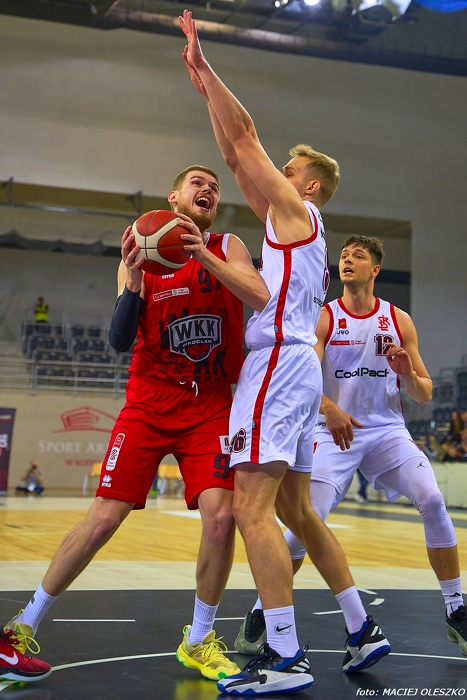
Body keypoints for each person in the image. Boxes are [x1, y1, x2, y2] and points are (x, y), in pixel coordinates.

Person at [179, 13, 390, 695]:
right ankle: (361, 626)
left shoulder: (298, 213)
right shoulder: (288, 222)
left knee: (251, 509)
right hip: (297, 366)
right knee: (297, 512)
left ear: (306, 186)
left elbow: (244, 137)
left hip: (275, 363)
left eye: (287, 169)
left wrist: (206, 67)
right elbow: (236, 153)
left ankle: (284, 656)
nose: (273, 170)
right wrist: (204, 95)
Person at [0, 165, 271, 684]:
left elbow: (260, 296)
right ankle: (22, 626)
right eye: (197, 182)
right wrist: (132, 279)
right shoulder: (140, 249)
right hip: (149, 400)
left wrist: (203, 255)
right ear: (174, 198)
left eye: (214, 185)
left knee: (222, 519)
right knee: (104, 518)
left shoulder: (227, 245)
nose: (209, 188)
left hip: (211, 401)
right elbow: (120, 340)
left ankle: (199, 638)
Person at [242, 235, 466, 663]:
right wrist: (329, 409)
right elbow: (304, 376)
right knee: (308, 518)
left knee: (434, 500)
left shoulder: (398, 320)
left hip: (386, 432)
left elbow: (423, 394)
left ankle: (456, 609)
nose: (347, 260)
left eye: (357, 256)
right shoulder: (325, 317)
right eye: (344, 255)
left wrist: (406, 373)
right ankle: (261, 608)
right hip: (333, 433)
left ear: (375, 269)